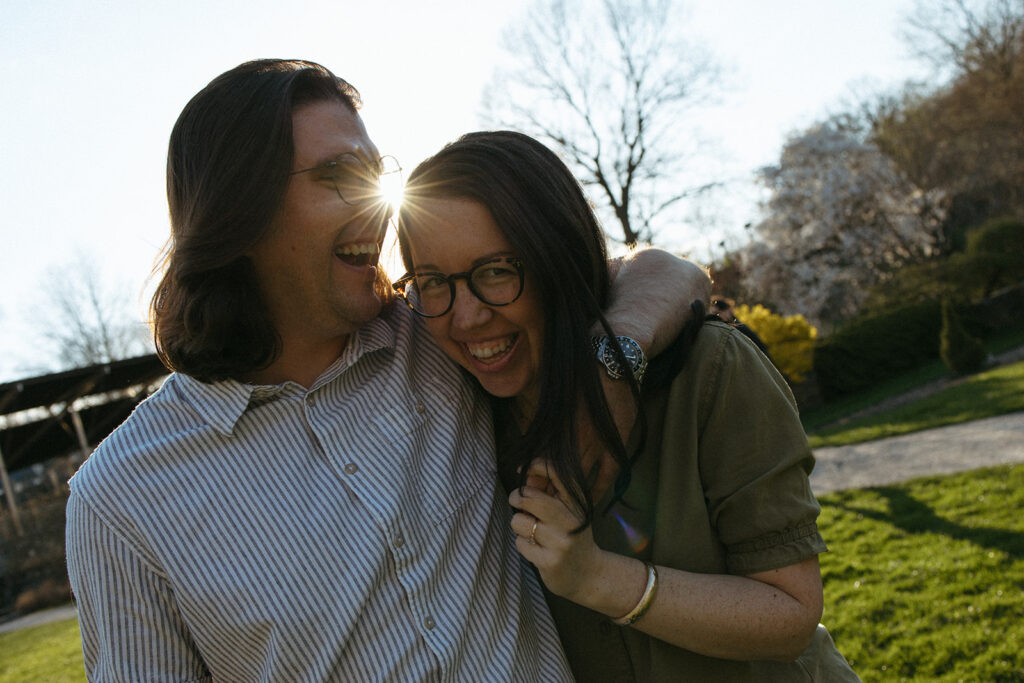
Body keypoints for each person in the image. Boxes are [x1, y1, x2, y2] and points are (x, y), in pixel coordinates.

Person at [63, 60, 710, 681]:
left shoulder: (442, 333)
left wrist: (609, 367)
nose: (380, 205)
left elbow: (663, 272)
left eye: (377, 173)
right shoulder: (117, 501)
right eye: (340, 175)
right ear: (239, 210)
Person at [395, 131, 860, 681]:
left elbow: (791, 615)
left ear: (559, 258)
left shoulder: (708, 372)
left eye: (497, 271)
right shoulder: (447, 413)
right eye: (430, 282)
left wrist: (596, 578)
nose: (466, 316)